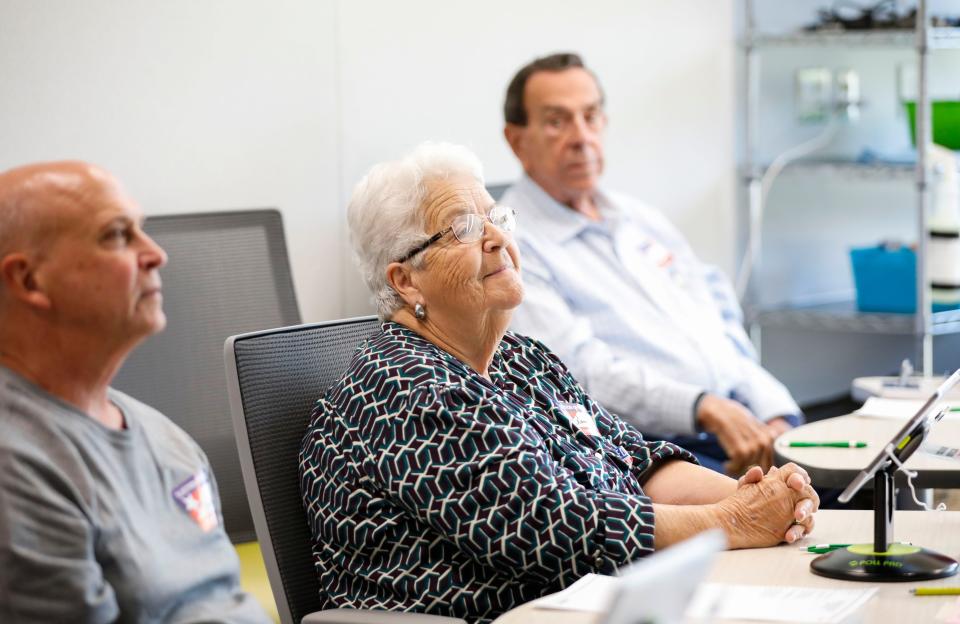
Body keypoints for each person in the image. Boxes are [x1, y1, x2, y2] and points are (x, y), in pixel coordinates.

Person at [300, 143, 819, 624]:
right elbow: (560, 529)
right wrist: (735, 519)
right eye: (461, 228)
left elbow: (634, 462)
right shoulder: (408, 390)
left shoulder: (522, 359)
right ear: (406, 280)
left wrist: (768, 498)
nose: (498, 237)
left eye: (495, 217)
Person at [501, 52, 802, 476]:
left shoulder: (639, 218)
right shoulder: (512, 245)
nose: (581, 137)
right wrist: (702, 407)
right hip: (647, 452)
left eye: (591, 116)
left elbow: (720, 323)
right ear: (517, 140)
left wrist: (774, 414)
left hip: (739, 424)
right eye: (556, 121)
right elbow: (576, 375)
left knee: (872, 474)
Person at [0, 161, 269, 623]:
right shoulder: (16, 466)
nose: (156, 254)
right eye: (117, 235)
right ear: (29, 280)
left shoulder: (165, 438)